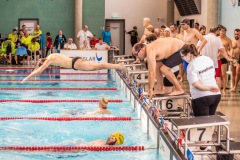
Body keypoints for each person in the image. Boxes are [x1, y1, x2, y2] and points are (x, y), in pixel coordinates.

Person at [21, 53, 127, 83]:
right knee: (96, 67)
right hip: (76, 60)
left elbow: (39, 71)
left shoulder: (49, 60)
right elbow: (39, 66)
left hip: (76, 64)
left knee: (98, 66)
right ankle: (117, 66)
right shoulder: (50, 55)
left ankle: (119, 66)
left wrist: (26, 78)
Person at [180, 44, 221, 116]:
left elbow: (196, 85)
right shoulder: (208, 59)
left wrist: (209, 88)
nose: (183, 59)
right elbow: (212, 75)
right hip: (216, 95)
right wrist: (212, 87)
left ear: (188, 54)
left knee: (203, 125)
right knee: (211, 121)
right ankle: (212, 128)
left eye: (183, 56)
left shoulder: (191, 65)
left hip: (201, 97)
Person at [218, 27, 233, 93]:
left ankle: (224, 89)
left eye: (224, 31)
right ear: (219, 31)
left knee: (224, 74)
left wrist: (230, 54)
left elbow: (231, 48)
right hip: (217, 57)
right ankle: (219, 87)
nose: (223, 32)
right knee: (218, 74)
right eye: (222, 31)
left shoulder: (228, 40)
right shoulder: (216, 39)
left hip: (224, 58)